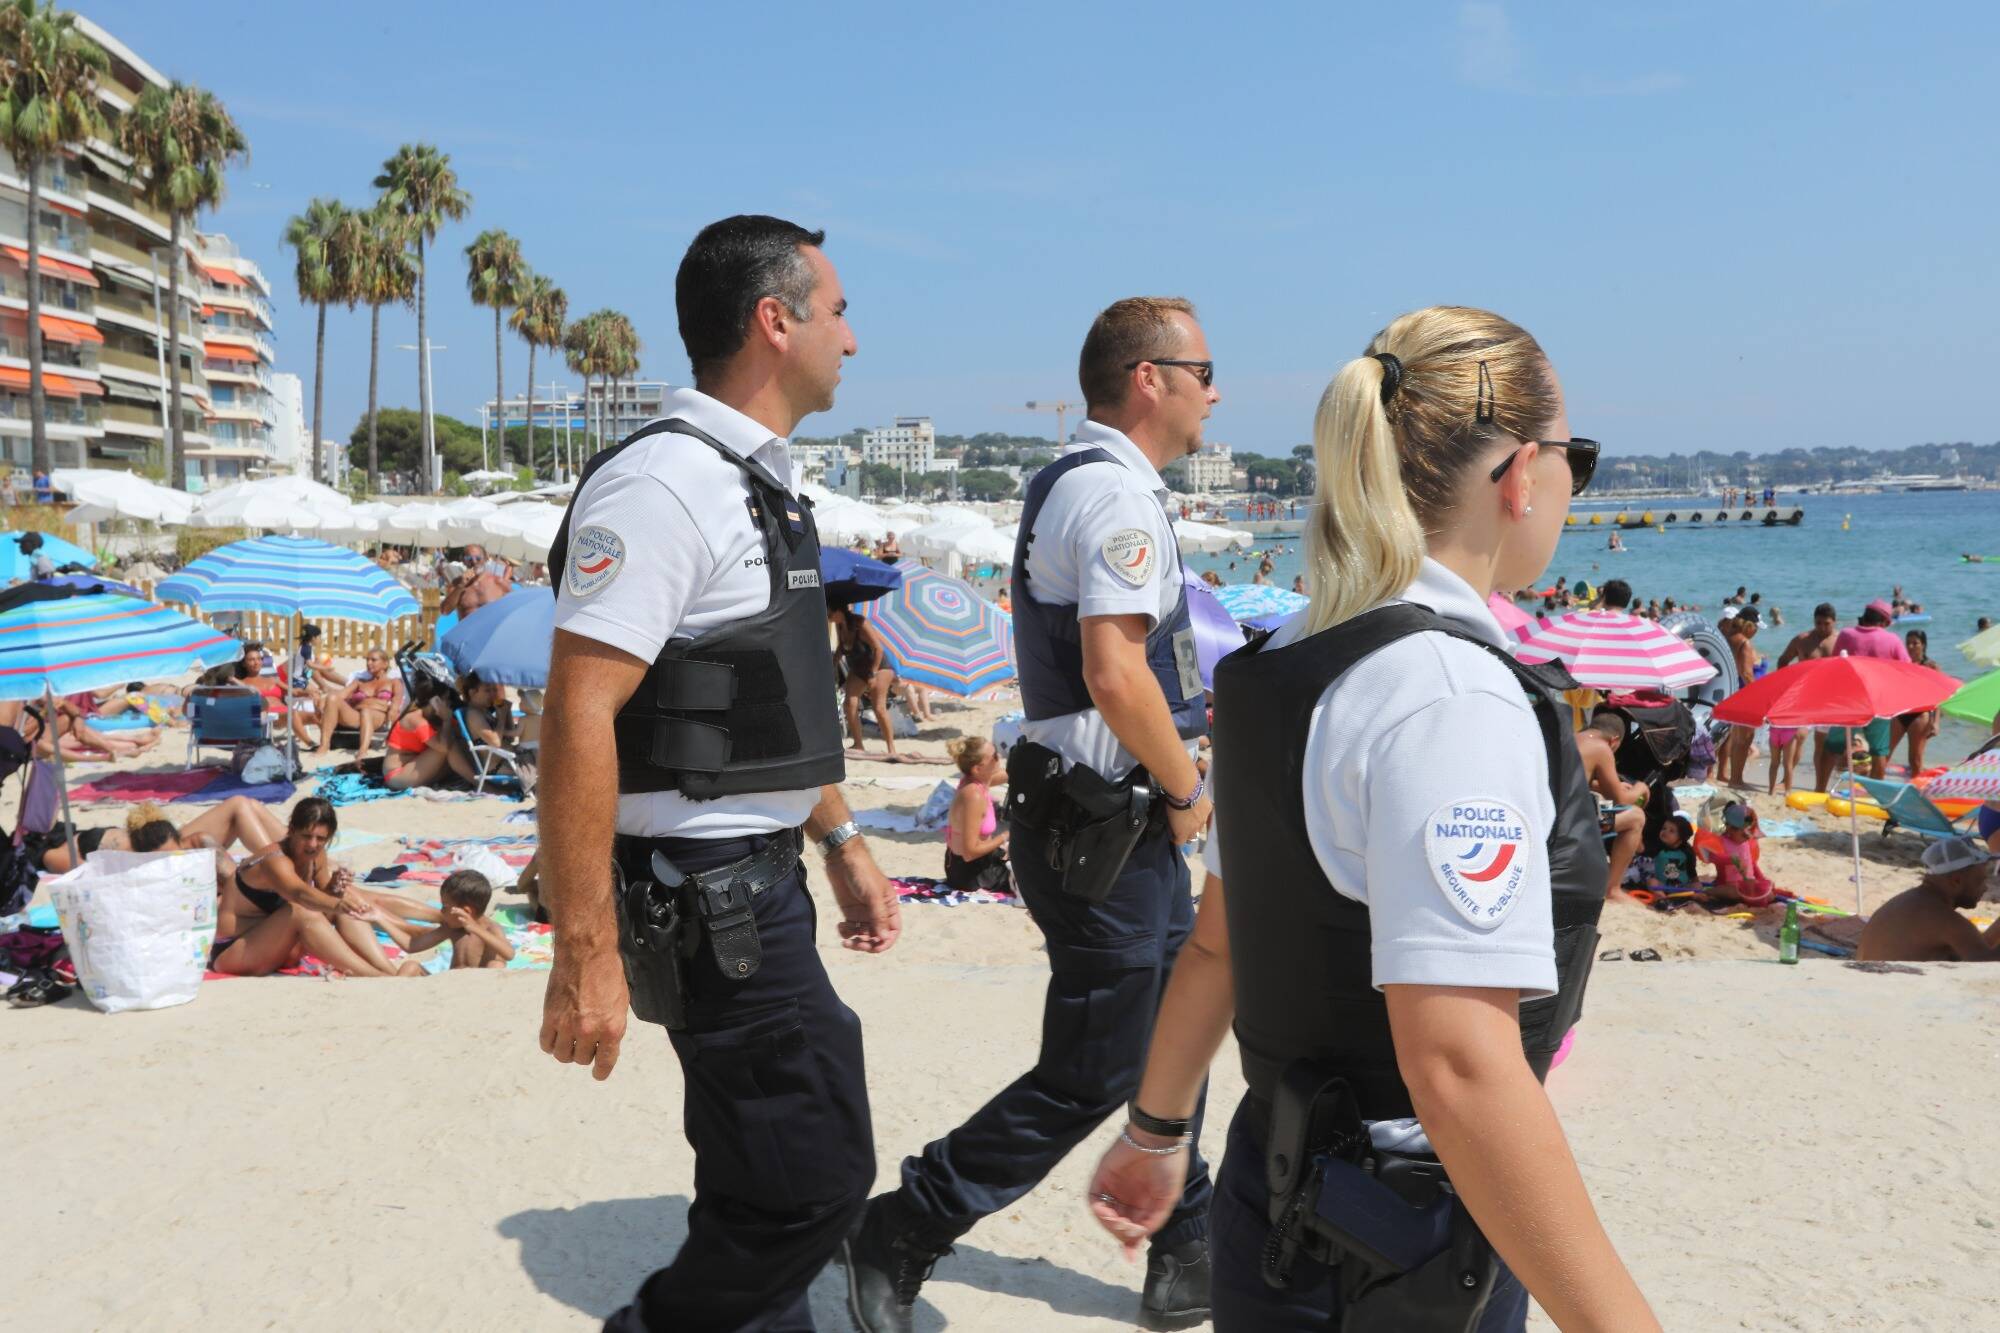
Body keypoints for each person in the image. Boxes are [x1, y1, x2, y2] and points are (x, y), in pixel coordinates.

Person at [1085, 306, 1654, 1330]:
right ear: (1520, 474)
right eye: (1578, 458)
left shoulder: (1282, 662)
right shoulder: (1447, 695)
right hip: (1396, 1235)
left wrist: (1158, 1129)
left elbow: (1220, 943)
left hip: (1275, 1199)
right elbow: (1457, 1066)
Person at [536, 215, 898, 1332]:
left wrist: (839, 840)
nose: (853, 334)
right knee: (814, 1179)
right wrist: (583, 951)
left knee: (756, 1173)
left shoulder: (755, 484)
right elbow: (576, 713)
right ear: (773, 321)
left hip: (757, 874)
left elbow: (760, 702)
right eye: (835, 309)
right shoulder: (665, 486)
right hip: (705, 894)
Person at [845, 296, 1221, 1329]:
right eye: (1202, 369)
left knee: (1167, 1038)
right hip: (1111, 821)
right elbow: (1112, 672)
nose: (1214, 390)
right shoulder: (1113, 498)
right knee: (1093, 1069)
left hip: (1097, 816)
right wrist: (1189, 793)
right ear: (1149, 378)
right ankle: (905, 1223)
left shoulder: (1082, 481)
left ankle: (1189, 1237)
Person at [209, 798, 422, 978]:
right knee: (305, 910)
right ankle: (379, 979)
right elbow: (299, 894)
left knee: (344, 903)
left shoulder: (316, 855)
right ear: (291, 831)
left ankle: (389, 972)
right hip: (234, 952)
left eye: (320, 839)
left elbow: (324, 898)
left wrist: (336, 889)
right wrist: (338, 903)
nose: (312, 844)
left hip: (278, 945)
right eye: (306, 836)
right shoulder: (275, 861)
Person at [1856, 837, 2000, 961]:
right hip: (1893, 989)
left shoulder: (1911, 903)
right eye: (1980, 881)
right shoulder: (1943, 919)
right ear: (1956, 880)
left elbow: (1977, 948)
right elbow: (1983, 962)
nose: (1985, 888)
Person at [1825, 599, 1909, 781]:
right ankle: (1876, 793)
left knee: (1832, 747)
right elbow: (1907, 670)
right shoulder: (1892, 640)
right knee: (1879, 751)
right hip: (1879, 703)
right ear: (1886, 622)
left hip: (1849, 702)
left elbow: (1835, 664)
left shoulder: (1846, 635)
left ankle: (1820, 788)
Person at [381, 868, 516, 969]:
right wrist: (381, 919)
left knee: (496, 964)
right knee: (410, 967)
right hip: (450, 986)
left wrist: (475, 929)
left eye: (445, 906)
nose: (441, 911)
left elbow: (509, 954)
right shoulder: (452, 928)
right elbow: (411, 946)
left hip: (480, 988)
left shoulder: (491, 929)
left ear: (466, 911)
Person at [1577, 714, 1648, 903]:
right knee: (1636, 817)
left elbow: (1577, 779)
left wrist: (1603, 786)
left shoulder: (1574, 738)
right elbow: (1622, 800)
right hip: (1573, 823)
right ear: (1614, 740)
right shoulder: (1602, 747)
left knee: (1604, 806)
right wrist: (1641, 788)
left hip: (1554, 813)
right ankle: (1612, 889)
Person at [834, 605, 904, 761]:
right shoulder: (839, 625)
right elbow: (842, 647)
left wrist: (873, 672)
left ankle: (891, 748)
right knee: (849, 704)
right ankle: (858, 744)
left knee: (879, 707)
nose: (828, 616)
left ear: (839, 611)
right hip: (858, 668)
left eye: (830, 612)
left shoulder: (861, 623)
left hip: (879, 667)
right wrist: (833, 662)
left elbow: (878, 648)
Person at [942, 735, 1009, 891]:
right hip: (970, 872)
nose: (998, 757)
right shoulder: (973, 796)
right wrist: (1005, 836)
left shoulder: (976, 781)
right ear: (977, 768)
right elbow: (970, 853)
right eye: (994, 757)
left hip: (967, 863)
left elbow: (1009, 775)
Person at [313, 648, 404, 756]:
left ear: (385, 663)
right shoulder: (359, 682)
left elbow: (397, 699)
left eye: (373, 660)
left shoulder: (394, 682)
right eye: (367, 660)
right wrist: (324, 700)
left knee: (366, 711)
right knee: (332, 698)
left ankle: (362, 750)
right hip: (356, 716)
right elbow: (341, 695)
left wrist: (393, 708)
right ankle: (324, 745)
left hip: (378, 716)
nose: (369, 663)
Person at [1890, 628, 1942, 776]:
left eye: (1915, 643)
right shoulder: (1900, 664)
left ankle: (1917, 793)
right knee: (1884, 753)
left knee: (1915, 760)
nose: (1911, 647)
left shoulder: (1931, 667)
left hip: (1920, 716)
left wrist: (1936, 722)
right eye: (1908, 643)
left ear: (1923, 645)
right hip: (1900, 714)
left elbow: (1940, 697)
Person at [1720, 606, 1762, 784]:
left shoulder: (1727, 637)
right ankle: (1736, 779)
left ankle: (1727, 775)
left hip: (1728, 690)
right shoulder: (1745, 643)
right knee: (1745, 738)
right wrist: (1760, 695)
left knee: (1732, 737)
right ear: (1750, 626)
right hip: (1743, 693)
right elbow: (1746, 673)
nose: (1757, 631)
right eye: (1757, 627)